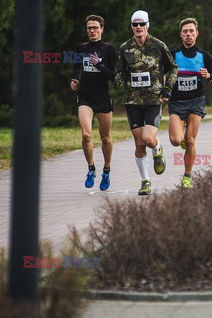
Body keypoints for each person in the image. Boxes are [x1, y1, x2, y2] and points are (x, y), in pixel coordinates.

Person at [115, 10, 178, 195]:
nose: (138, 28)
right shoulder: (125, 47)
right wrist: (118, 78)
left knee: (148, 139)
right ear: (132, 27)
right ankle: (145, 181)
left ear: (147, 25)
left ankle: (157, 150)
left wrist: (168, 89)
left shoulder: (158, 45)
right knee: (139, 144)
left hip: (153, 98)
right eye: (135, 24)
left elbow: (173, 68)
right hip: (132, 100)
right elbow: (119, 69)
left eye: (142, 24)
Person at [168, 18, 212, 189]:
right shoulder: (173, 54)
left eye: (191, 31)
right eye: (185, 32)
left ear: (197, 33)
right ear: (181, 34)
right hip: (176, 103)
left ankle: (187, 176)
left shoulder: (204, 56)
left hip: (196, 102)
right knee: (176, 141)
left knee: (190, 140)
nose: (188, 35)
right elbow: (161, 73)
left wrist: (210, 76)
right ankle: (181, 137)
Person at [70, 15, 117, 191]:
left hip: (103, 98)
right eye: (89, 28)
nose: (92, 30)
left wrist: (99, 65)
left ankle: (106, 170)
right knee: (86, 135)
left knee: (105, 138)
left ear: (102, 29)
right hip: (85, 97)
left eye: (95, 27)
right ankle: (91, 169)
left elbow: (114, 76)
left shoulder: (109, 49)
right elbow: (76, 67)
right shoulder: (81, 48)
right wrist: (75, 79)